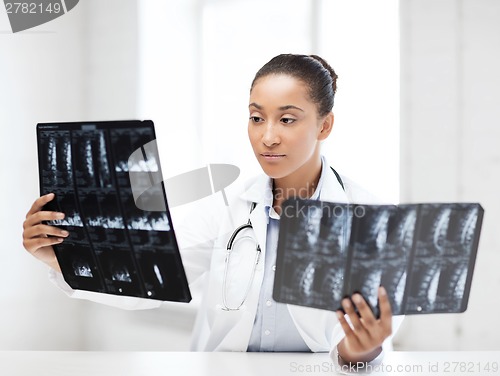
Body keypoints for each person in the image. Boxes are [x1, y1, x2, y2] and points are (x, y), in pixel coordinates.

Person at [22, 54, 401, 364]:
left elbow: (375, 332)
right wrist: (61, 258)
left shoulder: (370, 215)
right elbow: (150, 279)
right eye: (256, 118)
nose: (267, 136)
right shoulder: (227, 208)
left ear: (324, 126)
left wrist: (359, 351)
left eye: (287, 119)